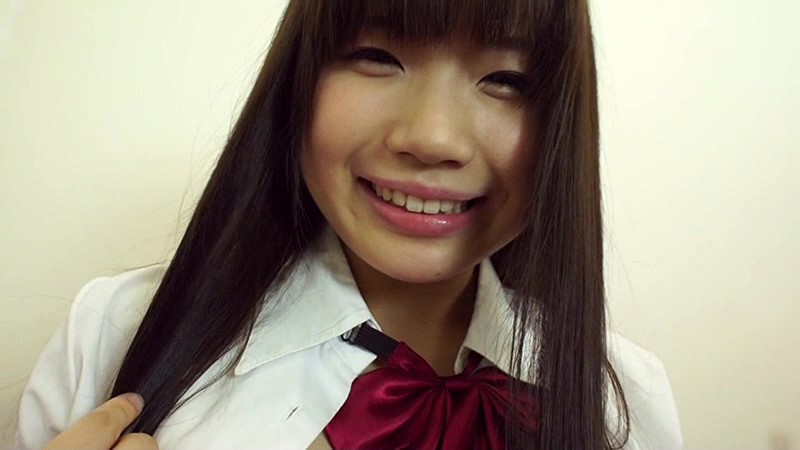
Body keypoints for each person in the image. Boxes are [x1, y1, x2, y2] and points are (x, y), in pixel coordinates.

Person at [15, 0, 683, 448]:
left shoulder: (625, 399)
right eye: (377, 56)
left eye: (508, 80)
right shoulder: (113, 331)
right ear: (299, 81)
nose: (432, 136)